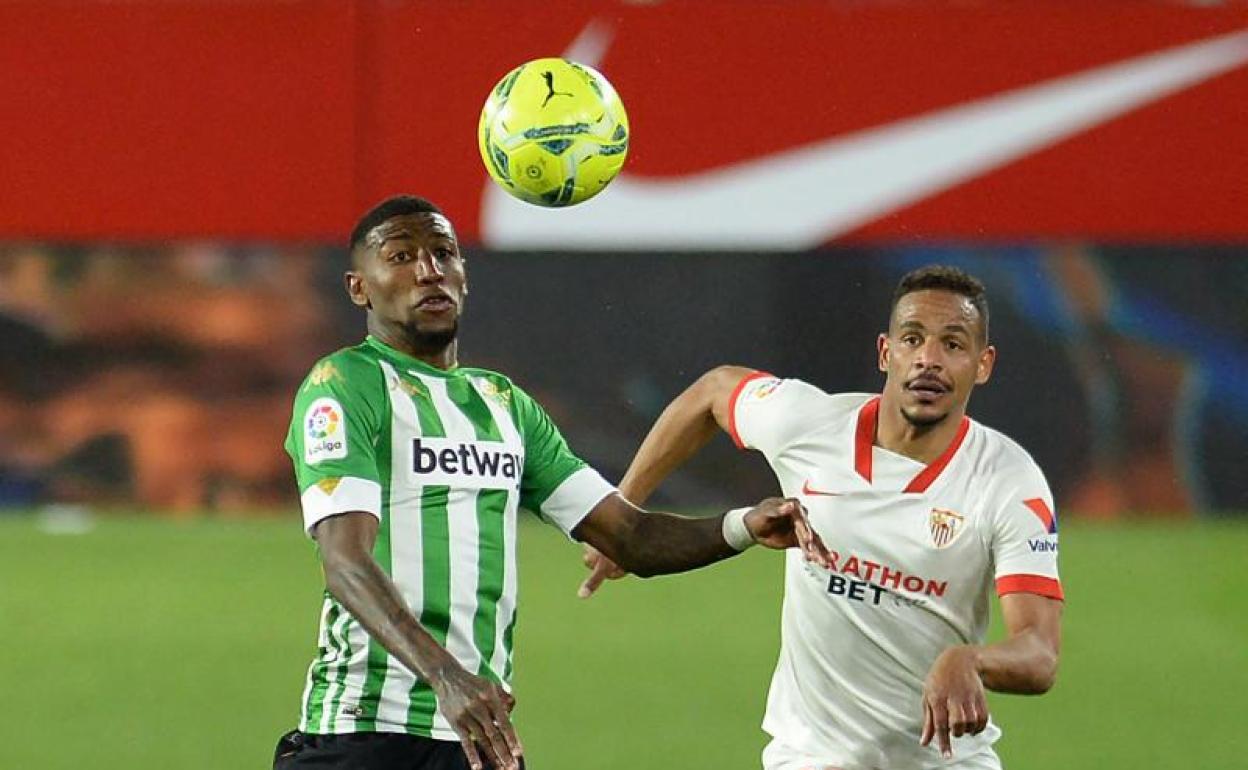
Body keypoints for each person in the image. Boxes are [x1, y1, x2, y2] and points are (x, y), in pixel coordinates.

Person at [273, 195, 828, 770]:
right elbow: (345, 561)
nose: (429, 270)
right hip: (363, 731)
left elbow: (629, 536)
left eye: (443, 253)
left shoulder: (503, 404)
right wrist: (445, 676)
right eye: (401, 256)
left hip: (477, 735)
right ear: (359, 288)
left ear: (464, 275)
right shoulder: (344, 385)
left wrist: (742, 525)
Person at [581, 265, 1063, 770]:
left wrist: (972, 660)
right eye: (912, 339)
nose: (928, 359)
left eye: (953, 344)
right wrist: (620, 516)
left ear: (983, 364)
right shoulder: (812, 426)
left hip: (946, 761)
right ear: (886, 352)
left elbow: (1040, 654)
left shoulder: (1008, 481)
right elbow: (713, 391)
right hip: (813, 755)